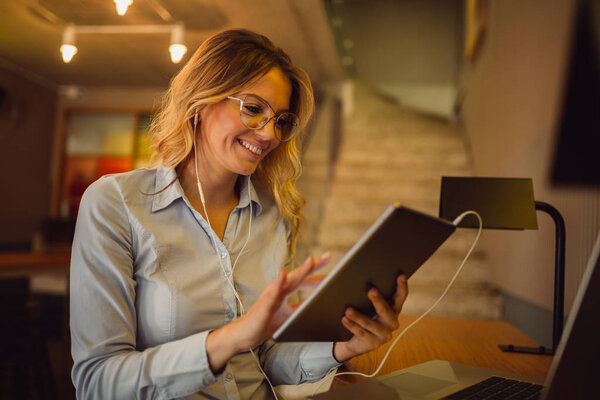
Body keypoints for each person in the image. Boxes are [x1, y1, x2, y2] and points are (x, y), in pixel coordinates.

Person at [70, 29, 408, 399]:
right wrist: (230, 338)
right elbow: (97, 381)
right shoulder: (115, 203)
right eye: (253, 109)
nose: (268, 134)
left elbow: (265, 357)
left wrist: (343, 347)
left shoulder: (274, 214)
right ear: (201, 99)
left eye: (280, 120)